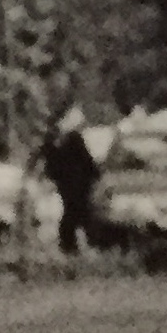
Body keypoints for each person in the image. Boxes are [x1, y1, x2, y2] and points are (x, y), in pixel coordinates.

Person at [40, 104, 99, 256]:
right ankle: (83, 244)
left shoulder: (52, 140)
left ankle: (70, 245)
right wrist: (96, 175)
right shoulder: (74, 138)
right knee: (81, 214)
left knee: (71, 213)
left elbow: (49, 164)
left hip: (65, 183)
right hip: (78, 183)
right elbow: (87, 162)